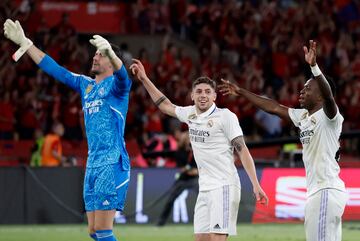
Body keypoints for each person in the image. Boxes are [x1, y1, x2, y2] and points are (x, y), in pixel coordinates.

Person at [4, 19, 132, 241]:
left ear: (111, 61)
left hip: (112, 163)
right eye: (97, 54)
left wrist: (110, 52)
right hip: (93, 162)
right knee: (93, 231)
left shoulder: (117, 88)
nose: (94, 56)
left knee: (103, 230)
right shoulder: (87, 85)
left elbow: (124, 77)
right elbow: (57, 70)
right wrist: (26, 44)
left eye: (100, 55)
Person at [219, 40, 348, 241]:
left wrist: (314, 67)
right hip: (320, 192)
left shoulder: (330, 117)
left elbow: (330, 98)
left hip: (326, 191)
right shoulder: (303, 117)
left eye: (308, 88)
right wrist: (241, 91)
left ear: (322, 95)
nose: (302, 91)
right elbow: (273, 107)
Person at [130, 59, 268, 241]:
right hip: (204, 188)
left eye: (208, 92)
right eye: (199, 91)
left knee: (217, 238)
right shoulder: (190, 114)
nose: (203, 95)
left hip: (224, 186)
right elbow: (165, 105)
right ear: (192, 96)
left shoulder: (226, 116)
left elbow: (242, 151)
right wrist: (144, 79)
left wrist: (256, 184)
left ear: (214, 97)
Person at [157, 129, 199, 227]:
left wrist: (196, 171)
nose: (190, 140)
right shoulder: (180, 152)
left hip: (195, 179)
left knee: (203, 198)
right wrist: (188, 170)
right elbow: (181, 167)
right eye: (188, 138)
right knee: (170, 199)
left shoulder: (197, 150)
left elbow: (201, 166)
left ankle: (205, 222)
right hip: (183, 179)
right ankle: (160, 223)